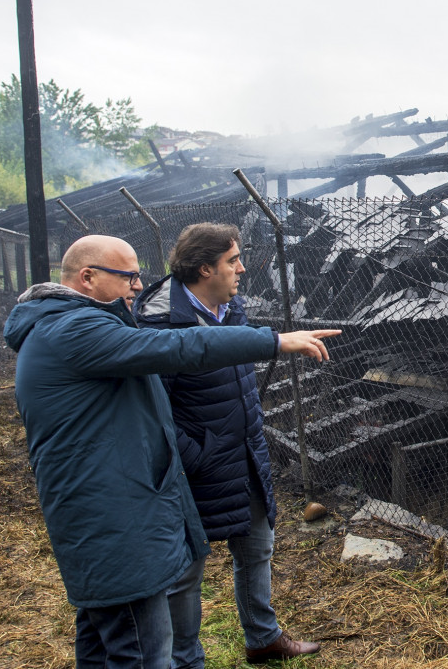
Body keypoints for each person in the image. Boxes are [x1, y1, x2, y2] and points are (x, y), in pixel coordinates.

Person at [2, 234, 339, 669]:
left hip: (112, 507)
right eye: (128, 277)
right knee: (144, 650)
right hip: (113, 515)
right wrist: (274, 341)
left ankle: (241, 641)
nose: (138, 286)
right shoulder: (75, 329)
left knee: (107, 641)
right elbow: (179, 348)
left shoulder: (69, 324)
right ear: (87, 277)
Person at [133, 223, 319, 666]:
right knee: (185, 570)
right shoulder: (160, 324)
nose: (242, 269)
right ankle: (184, 659)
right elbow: (151, 414)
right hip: (194, 468)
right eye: (233, 260)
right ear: (205, 269)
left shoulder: (229, 307)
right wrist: (196, 455)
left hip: (243, 455)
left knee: (257, 548)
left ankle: (263, 638)